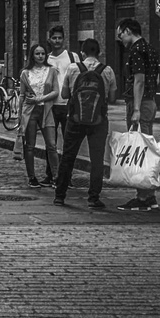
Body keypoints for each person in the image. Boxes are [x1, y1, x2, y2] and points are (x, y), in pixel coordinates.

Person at [53, 38, 116, 209]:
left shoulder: (73, 68)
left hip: (75, 119)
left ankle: (60, 195)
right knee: (97, 159)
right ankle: (93, 197)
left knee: (68, 156)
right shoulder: (108, 70)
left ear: (82, 53)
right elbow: (111, 98)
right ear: (99, 53)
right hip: (99, 120)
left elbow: (65, 95)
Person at [117, 18, 160, 212]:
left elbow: (139, 81)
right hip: (149, 102)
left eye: (120, 34)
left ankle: (143, 197)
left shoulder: (136, 50)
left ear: (128, 31)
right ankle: (148, 196)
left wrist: (136, 108)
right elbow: (157, 77)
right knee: (145, 147)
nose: (120, 39)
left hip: (140, 104)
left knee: (140, 150)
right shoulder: (150, 49)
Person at [18, 43, 60, 188]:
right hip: (30, 112)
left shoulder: (52, 70)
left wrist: (40, 99)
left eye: (43, 53)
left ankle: (56, 177)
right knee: (30, 146)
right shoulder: (25, 73)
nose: (40, 56)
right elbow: (22, 95)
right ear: (32, 55)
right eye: (37, 53)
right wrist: (19, 118)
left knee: (52, 145)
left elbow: (56, 91)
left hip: (46, 110)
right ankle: (32, 177)